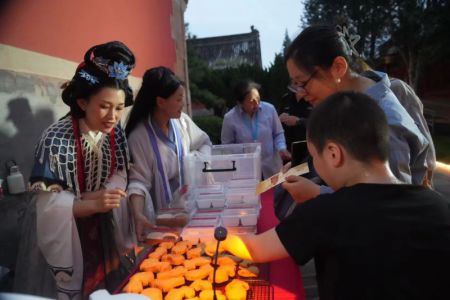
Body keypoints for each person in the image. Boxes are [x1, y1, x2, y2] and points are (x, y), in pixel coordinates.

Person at [222, 91, 450, 300]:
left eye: (314, 158)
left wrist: (214, 234)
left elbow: (253, 248)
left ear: (333, 154)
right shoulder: (439, 206)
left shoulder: (325, 211)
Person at [14, 41, 136, 299]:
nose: (112, 117)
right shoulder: (55, 139)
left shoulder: (115, 134)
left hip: (103, 228)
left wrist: (105, 193)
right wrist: (91, 203)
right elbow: (48, 205)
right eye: (104, 106)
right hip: (66, 231)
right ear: (82, 101)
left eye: (119, 108)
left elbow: (120, 172)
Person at [282, 24, 429, 202]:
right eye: (295, 85)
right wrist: (302, 169)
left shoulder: (385, 122)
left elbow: (391, 205)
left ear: (338, 67)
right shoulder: (345, 109)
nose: (299, 93)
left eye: (303, 82)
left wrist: (319, 194)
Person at [125, 66, 211, 242]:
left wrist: (195, 161)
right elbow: (138, 182)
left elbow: (204, 143)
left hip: (190, 209)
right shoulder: (139, 137)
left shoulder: (182, 123)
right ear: (161, 102)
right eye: (178, 99)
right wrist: (138, 214)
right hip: (161, 218)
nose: (183, 104)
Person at [221, 79, 291, 179]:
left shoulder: (269, 109)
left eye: (258, 98)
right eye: (251, 101)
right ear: (240, 103)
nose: (256, 103)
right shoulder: (230, 118)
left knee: (274, 194)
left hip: (271, 167)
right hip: (246, 171)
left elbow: (278, 133)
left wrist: (281, 147)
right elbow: (227, 146)